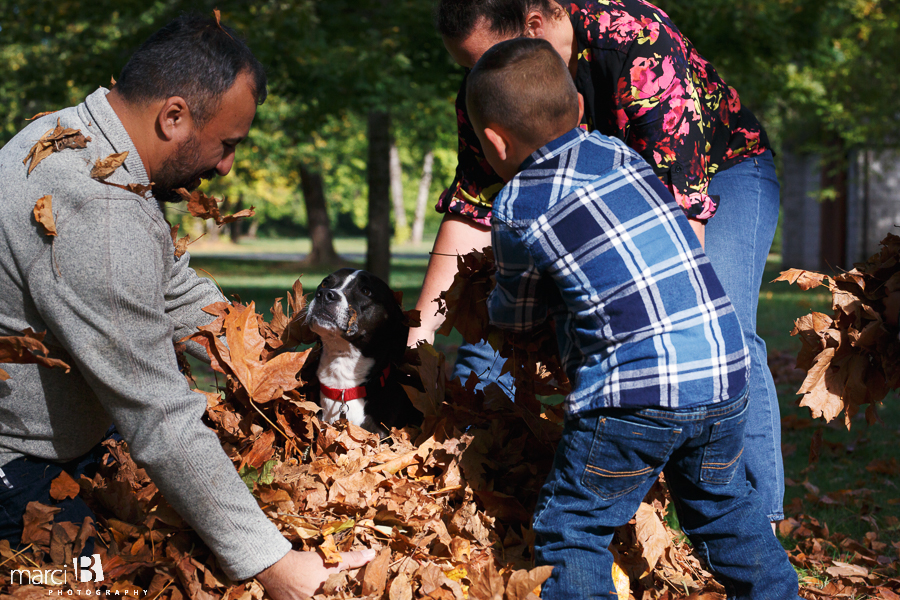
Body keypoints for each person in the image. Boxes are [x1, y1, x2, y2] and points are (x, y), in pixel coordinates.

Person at [0, 15, 372, 597]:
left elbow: (171, 287)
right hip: (18, 465)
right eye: (227, 144)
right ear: (173, 116)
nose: (226, 166)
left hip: (80, 443)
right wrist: (273, 564)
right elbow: (159, 416)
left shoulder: (82, 135)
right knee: (95, 586)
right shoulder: (99, 217)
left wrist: (266, 351)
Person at [409, 0, 785, 528]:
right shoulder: (488, 88)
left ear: (534, 27)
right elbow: (473, 208)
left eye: (484, 60)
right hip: (584, 190)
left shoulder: (637, 41)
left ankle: (754, 514)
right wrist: (417, 341)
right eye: (467, 69)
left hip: (718, 172)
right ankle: (476, 484)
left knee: (720, 324)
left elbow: (682, 223)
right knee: (503, 320)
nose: (479, 78)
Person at [468, 37, 799, 599]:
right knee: (724, 509)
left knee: (573, 527)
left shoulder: (518, 204)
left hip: (635, 395)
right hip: (723, 373)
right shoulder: (620, 154)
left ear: (494, 142)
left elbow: (517, 316)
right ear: (577, 108)